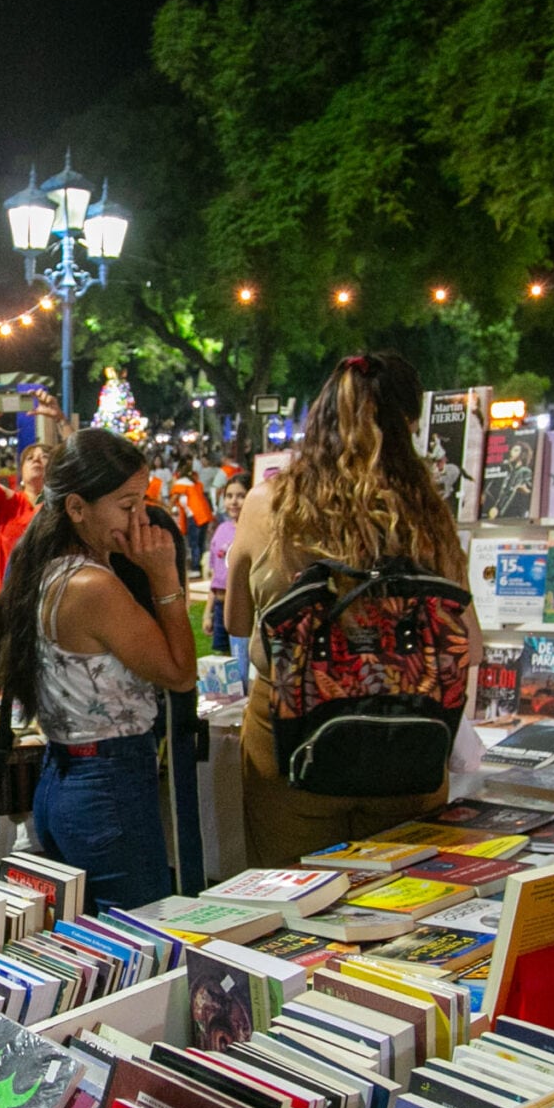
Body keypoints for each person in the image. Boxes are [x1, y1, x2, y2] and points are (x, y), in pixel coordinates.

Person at [220, 353, 479, 867]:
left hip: (290, 739)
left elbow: (235, 622)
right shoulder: (426, 511)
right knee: (400, 906)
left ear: (317, 419)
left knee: (291, 906)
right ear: (408, 425)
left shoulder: (268, 504)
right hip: (407, 739)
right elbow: (469, 641)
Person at [0, 429, 195, 910]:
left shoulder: (50, 567)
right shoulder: (91, 585)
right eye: (126, 506)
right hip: (107, 781)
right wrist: (164, 578)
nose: (139, 519)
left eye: (141, 502)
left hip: (66, 777)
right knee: (143, 935)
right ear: (77, 508)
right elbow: (181, 673)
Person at [0, 389, 67, 615]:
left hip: (53, 606)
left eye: (45, 456)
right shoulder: (8, 503)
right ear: (21, 473)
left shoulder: (64, 504)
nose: (37, 459)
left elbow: (84, 466)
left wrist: (60, 419)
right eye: (30, 458)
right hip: (10, 608)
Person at [205, 477, 246, 652]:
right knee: (223, 659)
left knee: (242, 658)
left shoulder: (251, 531)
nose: (233, 502)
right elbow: (216, 576)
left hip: (241, 606)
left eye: (240, 496)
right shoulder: (221, 529)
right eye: (229, 496)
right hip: (220, 605)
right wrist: (209, 613)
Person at [167, 459, 212, 577]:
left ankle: (195, 568)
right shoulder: (193, 482)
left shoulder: (180, 483)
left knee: (194, 544)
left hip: (194, 517)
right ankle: (202, 567)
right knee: (201, 543)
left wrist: (166, 511)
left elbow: (173, 500)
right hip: (203, 516)